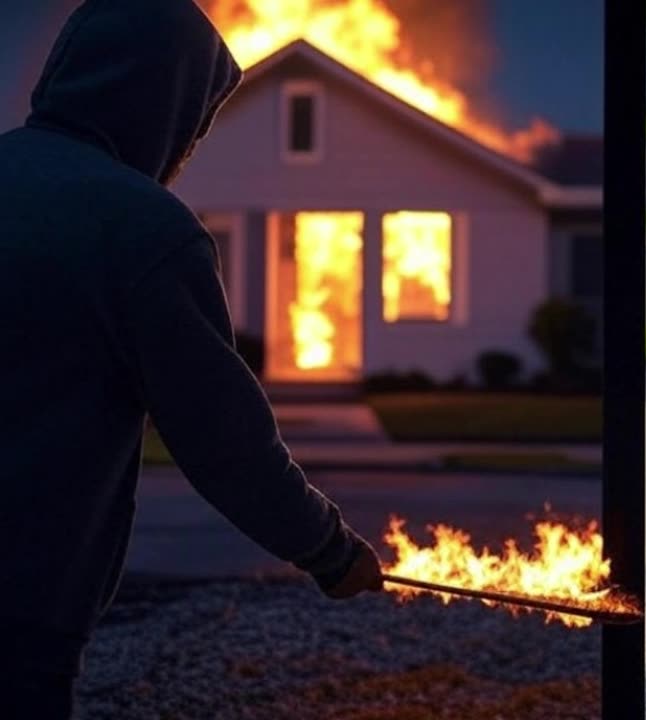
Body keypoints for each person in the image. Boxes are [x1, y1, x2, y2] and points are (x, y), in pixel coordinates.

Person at [0, 1, 386, 716]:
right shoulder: (142, 230)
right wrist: (331, 552)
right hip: (18, 608)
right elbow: (223, 441)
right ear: (166, 103)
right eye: (197, 127)